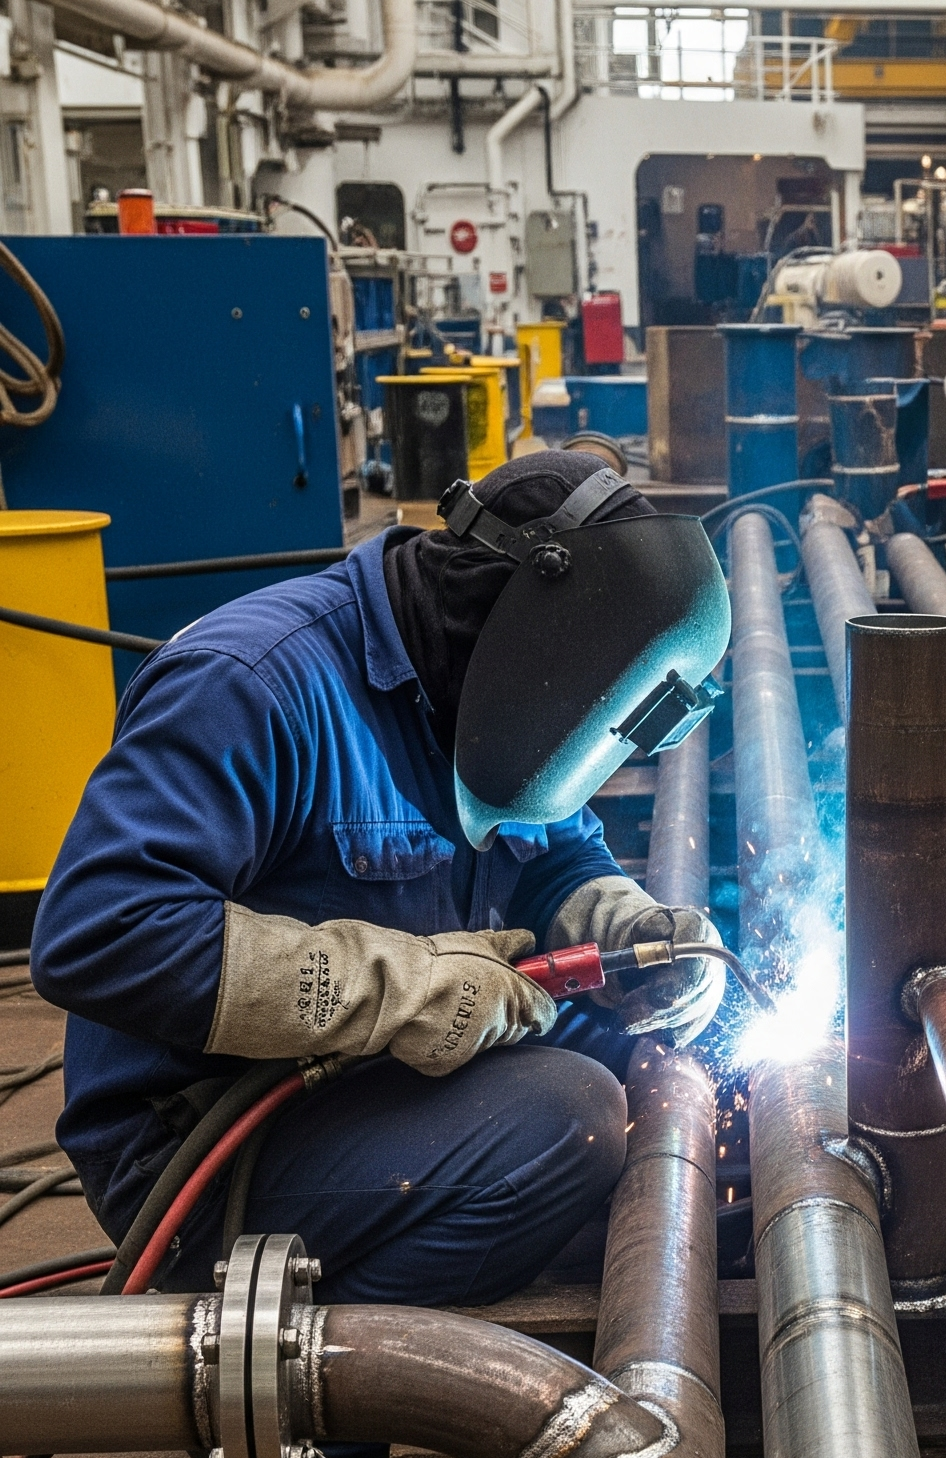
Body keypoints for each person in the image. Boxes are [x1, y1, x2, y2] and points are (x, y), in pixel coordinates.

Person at [33, 452, 733, 1309]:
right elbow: (98, 934)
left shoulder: (499, 695)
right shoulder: (253, 685)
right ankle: (311, 1389)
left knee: (667, 1056)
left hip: (375, 1086)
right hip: (203, 1150)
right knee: (571, 1117)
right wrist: (398, 987)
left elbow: (551, 853)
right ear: (538, 637)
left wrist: (618, 922)